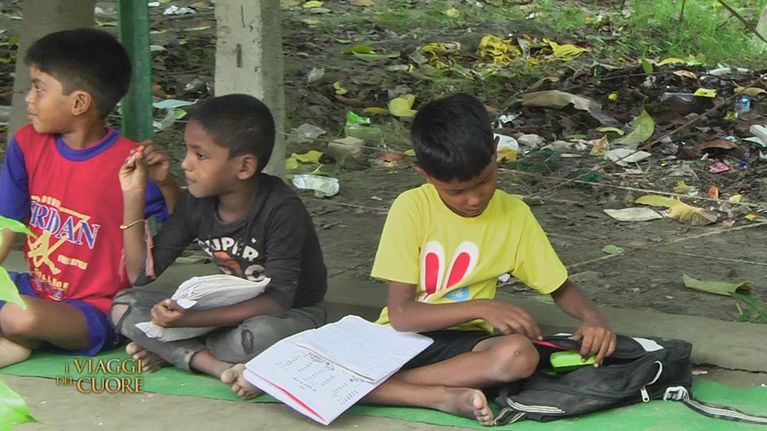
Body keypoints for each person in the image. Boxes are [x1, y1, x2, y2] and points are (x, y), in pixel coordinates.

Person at [363, 93, 617, 424]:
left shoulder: (514, 214)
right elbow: (402, 316)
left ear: (496, 151)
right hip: (401, 341)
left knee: (519, 355)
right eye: (455, 192)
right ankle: (434, 395)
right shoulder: (411, 208)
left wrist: (593, 319)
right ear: (425, 173)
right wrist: (483, 307)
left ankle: (378, 388)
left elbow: (559, 286)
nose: (473, 199)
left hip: (464, 347)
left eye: (484, 181)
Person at [112, 94, 327, 398]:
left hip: (290, 313)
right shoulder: (196, 203)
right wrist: (134, 193)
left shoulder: (281, 209)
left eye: (200, 155)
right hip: (221, 314)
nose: (185, 164)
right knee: (123, 306)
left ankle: (175, 351)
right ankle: (215, 365)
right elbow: (140, 275)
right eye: (188, 151)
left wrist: (188, 322)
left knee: (256, 337)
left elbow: (277, 302)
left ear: (244, 166)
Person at [0, 28, 178, 368]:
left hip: (94, 309)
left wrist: (167, 184)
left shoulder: (130, 164)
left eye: (39, 88)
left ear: (79, 102)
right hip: (34, 288)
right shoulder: (27, 144)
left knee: (20, 317)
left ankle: (17, 337)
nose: (28, 99)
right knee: (18, 310)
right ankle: (17, 341)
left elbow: (181, 225)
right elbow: (5, 223)